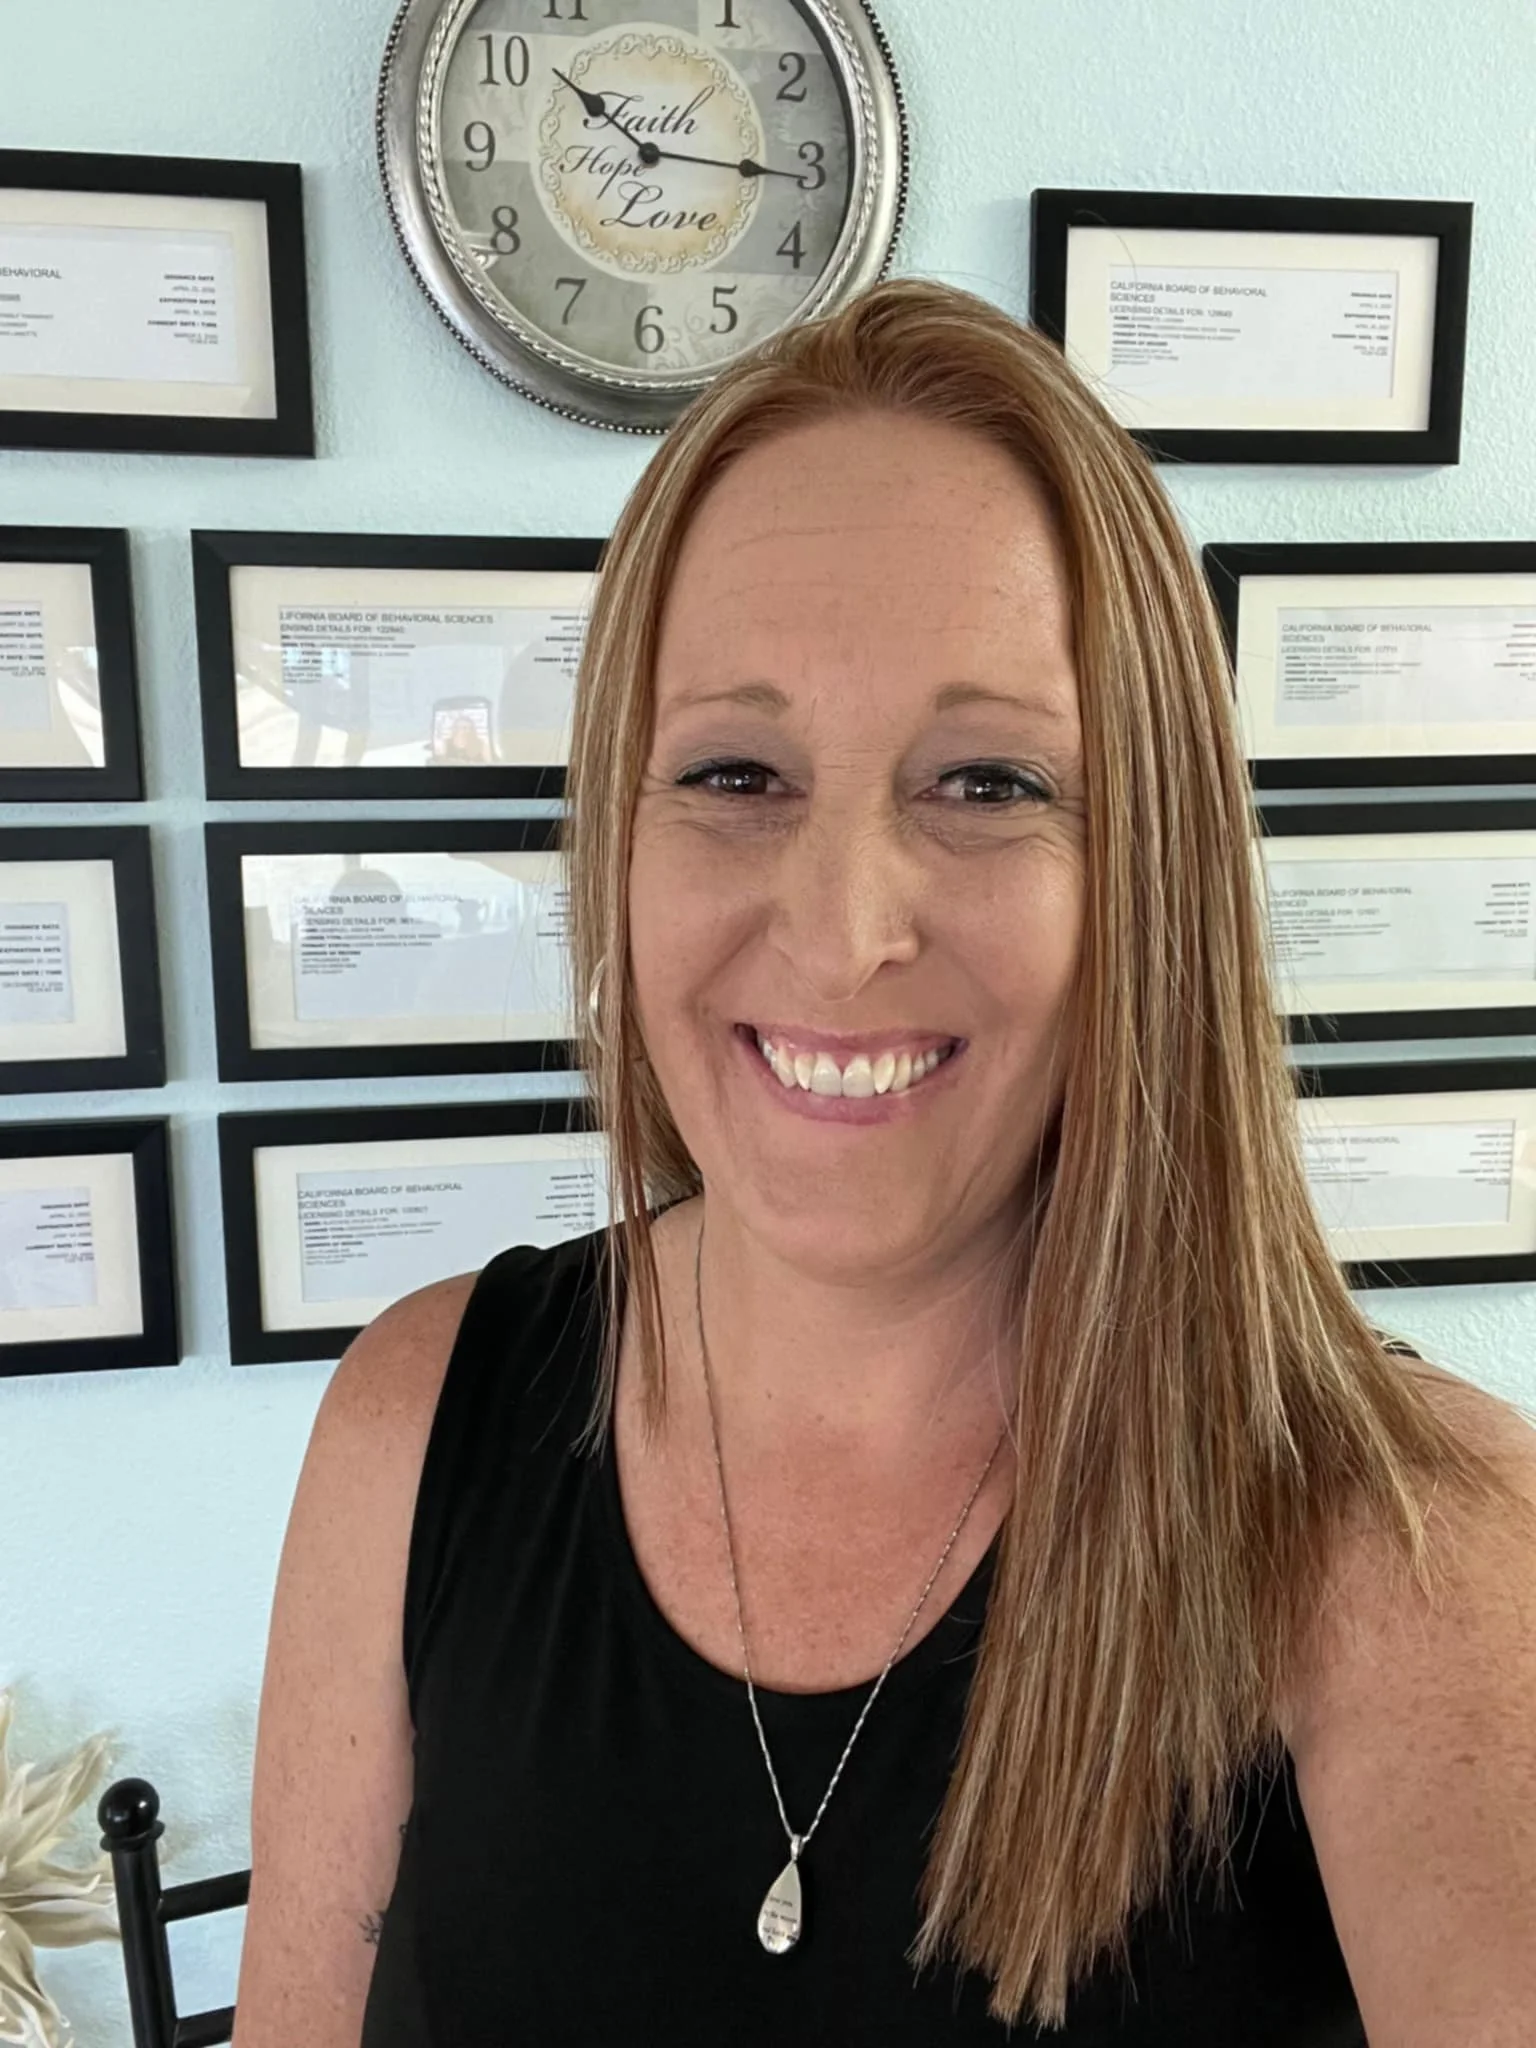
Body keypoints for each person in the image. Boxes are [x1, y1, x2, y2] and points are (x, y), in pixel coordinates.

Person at [232, 280, 1536, 2046]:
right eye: (736, 774)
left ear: (1147, 871)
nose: (844, 937)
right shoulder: (412, 1427)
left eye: (987, 784)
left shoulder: (1419, 1543)